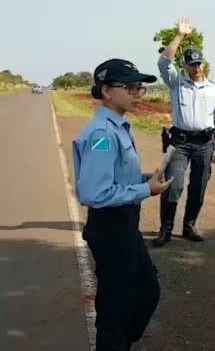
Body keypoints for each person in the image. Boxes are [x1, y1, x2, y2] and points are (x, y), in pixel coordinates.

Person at [73, 58, 173, 351]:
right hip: (112, 227)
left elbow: (116, 177)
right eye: (130, 87)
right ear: (106, 91)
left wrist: (145, 180)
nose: (138, 93)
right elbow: (94, 192)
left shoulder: (117, 127)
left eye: (139, 88)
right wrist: (145, 189)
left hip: (124, 225)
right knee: (120, 304)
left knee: (143, 291)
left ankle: (117, 342)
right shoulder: (103, 135)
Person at [153, 16, 215, 247]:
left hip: (205, 143)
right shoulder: (176, 82)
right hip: (180, 143)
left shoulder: (213, 90)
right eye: (192, 64)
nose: (196, 67)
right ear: (185, 65)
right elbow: (164, 62)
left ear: (204, 64)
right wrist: (180, 35)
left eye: (199, 63)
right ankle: (165, 229)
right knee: (173, 184)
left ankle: (189, 226)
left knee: (199, 186)